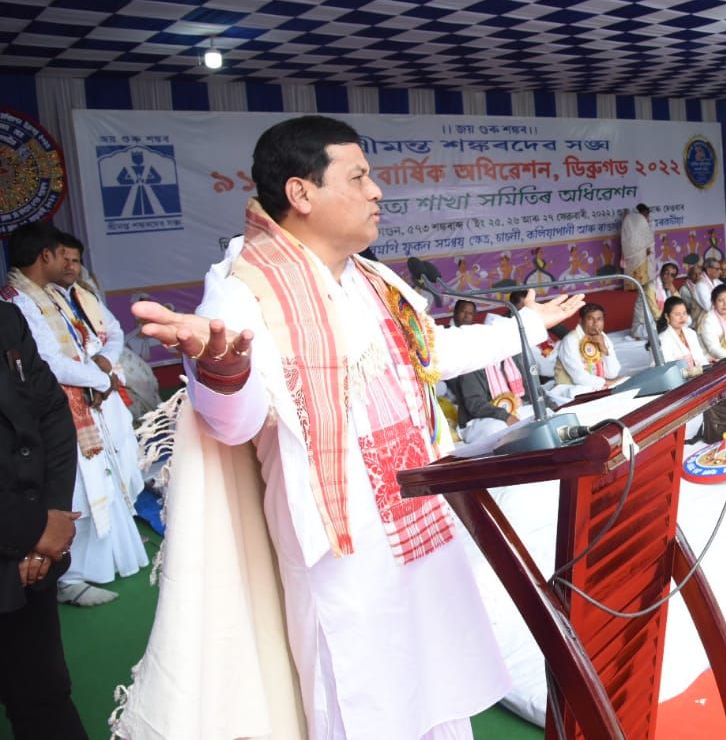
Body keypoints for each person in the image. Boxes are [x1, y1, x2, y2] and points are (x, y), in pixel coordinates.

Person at [117, 115, 587, 739]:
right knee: (367, 709)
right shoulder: (242, 291)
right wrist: (221, 368)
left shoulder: (372, 279)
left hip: (419, 525)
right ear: (301, 193)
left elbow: (432, 353)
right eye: (359, 176)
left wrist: (524, 328)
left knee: (440, 696)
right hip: (345, 559)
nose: (377, 192)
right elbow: (234, 426)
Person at [2, 223, 146, 608]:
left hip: (91, 395)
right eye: (60, 254)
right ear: (44, 256)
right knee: (77, 488)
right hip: (61, 406)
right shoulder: (18, 301)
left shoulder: (62, 296)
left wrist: (101, 373)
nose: (68, 262)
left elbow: (105, 337)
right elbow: (49, 362)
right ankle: (71, 574)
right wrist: (102, 379)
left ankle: (108, 562)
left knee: (107, 477)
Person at [0, 301, 89, 740]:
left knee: (44, 698)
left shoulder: (6, 318)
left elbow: (51, 412)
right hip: (17, 535)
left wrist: (48, 522)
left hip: (30, 563)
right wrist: (28, 529)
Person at [53, 232, 162, 421]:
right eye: (65, 261)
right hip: (76, 372)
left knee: (143, 380)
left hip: (104, 360)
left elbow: (114, 330)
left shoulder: (85, 294)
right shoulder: (41, 300)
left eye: (75, 261)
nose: (70, 267)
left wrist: (106, 358)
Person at [555, 302, 623, 391]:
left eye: (599, 319)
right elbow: (578, 377)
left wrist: (604, 348)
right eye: (590, 319)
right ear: (580, 321)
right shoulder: (570, 340)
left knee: (627, 380)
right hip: (573, 387)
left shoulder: (603, 337)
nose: (595, 324)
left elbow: (612, 373)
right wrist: (605, 383)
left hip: (600, 384)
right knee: (582, 390)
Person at [655, 296, 709, 372]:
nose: (682, 317)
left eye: (684, 313)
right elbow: (668, 369)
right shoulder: (662, 339)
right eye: (677, 314)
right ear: (667, 316)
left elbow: (701, 359)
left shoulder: (691, 333)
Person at [631, 261, 677, 340]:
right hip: (643, 326)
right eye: (666, 273)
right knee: (669, 326)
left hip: (661, 320)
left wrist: (673, 290)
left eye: (672, 275)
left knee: (686, 320)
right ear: (661, 273)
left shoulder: (668, 287)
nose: (668, 277)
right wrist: (673, 318)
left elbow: (680, 305)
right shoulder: (650, 287)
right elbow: (656, 314)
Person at [619, 203, 654, 288]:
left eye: (647, 214)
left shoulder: (636, 219)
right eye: (645, 214)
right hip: (632, 249)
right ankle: (633, 286)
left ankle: (637, 286)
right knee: (633, 268)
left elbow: (647, 235)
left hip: (640, 249)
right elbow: (626, 234)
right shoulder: (630, 219)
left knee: (641, 269)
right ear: (640, 212)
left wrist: (648, 247)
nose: (646, 216)